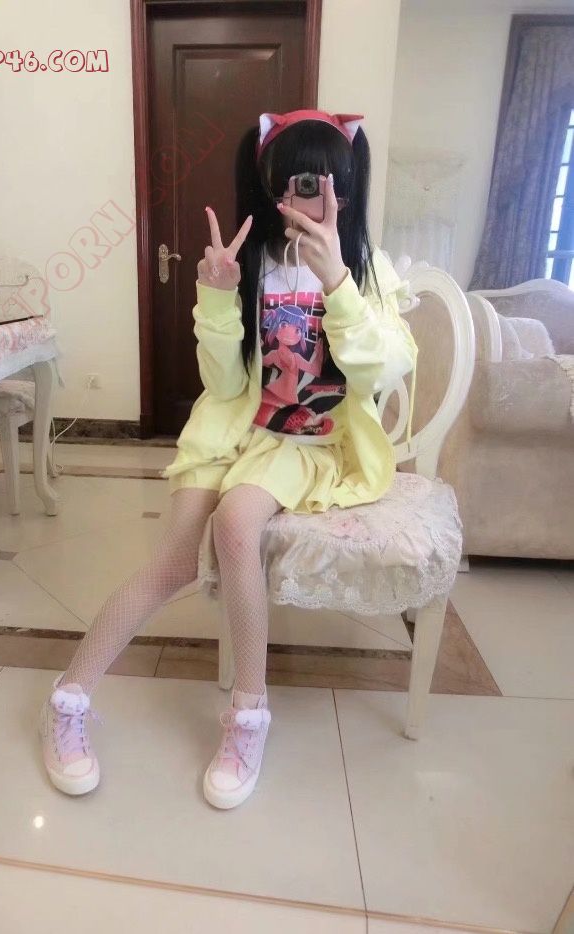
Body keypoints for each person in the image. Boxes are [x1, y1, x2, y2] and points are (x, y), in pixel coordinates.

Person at [39, 108, 418, 810]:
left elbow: (381, 371)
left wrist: (338, 282)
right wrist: (216, 296)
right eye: (301, 180)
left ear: (350, 187)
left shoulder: (367, 270)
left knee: (237, 525)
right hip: (230, 432)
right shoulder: (251, 266)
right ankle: (68, 699)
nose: (317, 197)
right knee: (172, 565)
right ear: (274, 185)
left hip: (301, 444)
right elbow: (222, 385)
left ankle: (249, 717)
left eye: (332, 181)